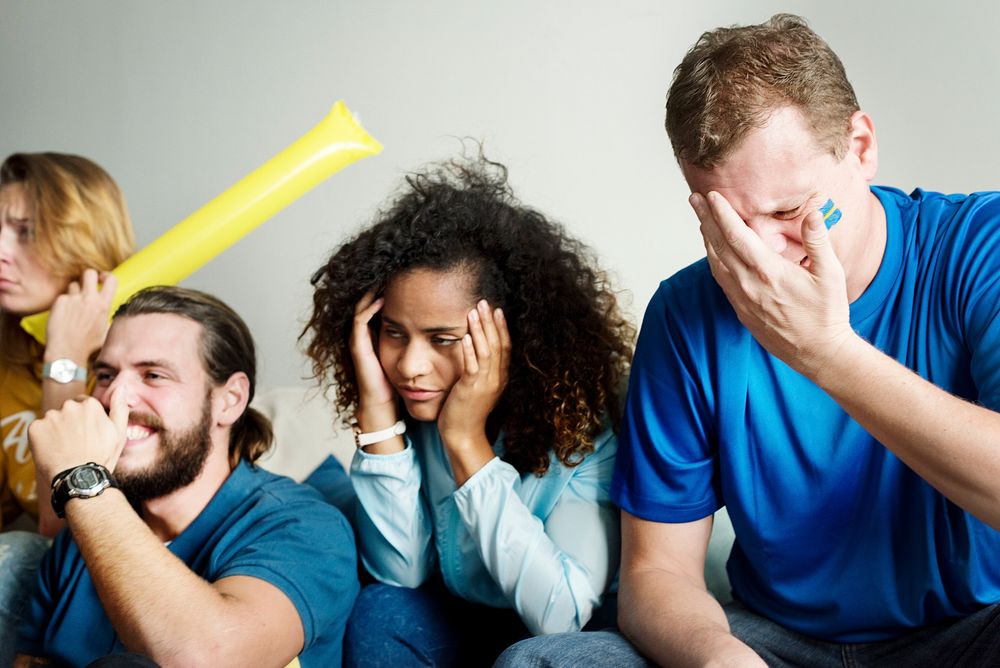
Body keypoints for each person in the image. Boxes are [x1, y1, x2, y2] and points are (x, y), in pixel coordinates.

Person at [497, 13, 1000, 668]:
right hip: (773, 640)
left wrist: (828, 353)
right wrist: (715, 656)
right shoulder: (685, 313)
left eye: (791, 213)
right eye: (725, 221)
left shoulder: (978, 248)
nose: (759, 255)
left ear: (862, 146)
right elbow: (656, 576)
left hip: (968, 632)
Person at [302, 156, 635, 666]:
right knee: (381, 610)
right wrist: (375, 413)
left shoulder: (589, 424)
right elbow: (402, 572)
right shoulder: (408, 411)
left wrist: (466, 443)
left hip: (568, 641)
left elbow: (561, 616)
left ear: (509, 335)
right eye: (394, 332)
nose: (411, 365)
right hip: (461, 623)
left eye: (443, 339)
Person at [15, 286, 359, 667]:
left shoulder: (304, 527)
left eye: (154, 375)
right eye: (106, 374)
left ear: (229, 400)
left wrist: (83, 479)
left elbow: (204, 658)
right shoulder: (83, 527)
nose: (116, 398)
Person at [0, 152, 135, 663]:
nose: (1, 251)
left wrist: (65, 359)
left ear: (82, 241)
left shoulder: (138, 361)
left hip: (98, 579)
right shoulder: (8, 353)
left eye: (26, 231)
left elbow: (63, 528)